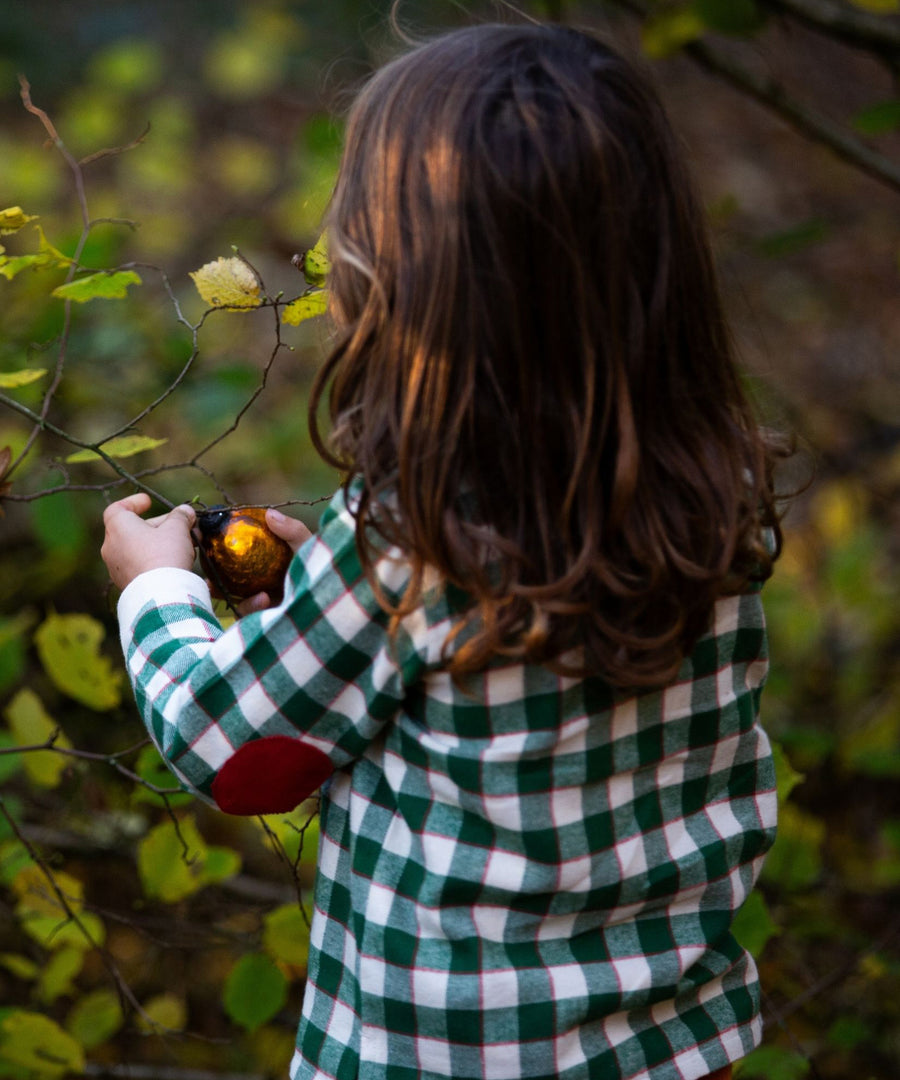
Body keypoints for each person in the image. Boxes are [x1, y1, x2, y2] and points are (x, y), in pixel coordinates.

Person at [101, 21, 784, 1080]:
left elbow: (238, 758)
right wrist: (322, 588)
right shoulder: (717, 492)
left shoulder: (411, 538)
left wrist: (158, 590)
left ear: (408, 281)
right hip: (675, 1050)